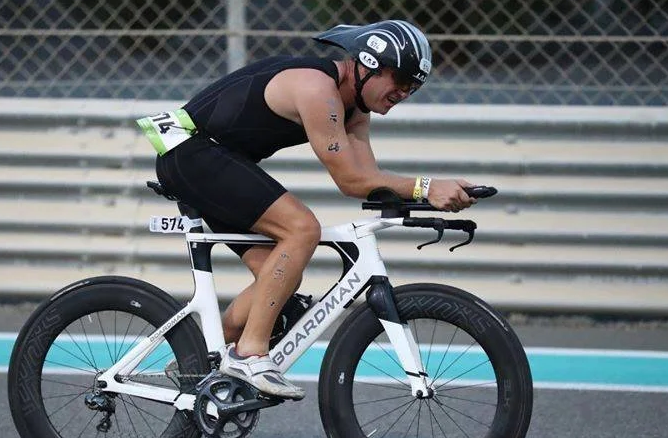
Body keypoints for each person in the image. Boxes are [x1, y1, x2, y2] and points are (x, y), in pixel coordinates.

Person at [151, 20, 475, 401]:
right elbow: (351, 181)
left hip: (213, 158)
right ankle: (249, 354)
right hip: (190, 153)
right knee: (302, 230)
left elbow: (368, 178)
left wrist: (431, 197)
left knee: (279, 277)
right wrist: (427, 186)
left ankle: (199, 359)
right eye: (400, 80)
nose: (403, 92)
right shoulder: (316, 89)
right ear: (367, 64)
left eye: (413, 87)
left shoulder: (356, 109)